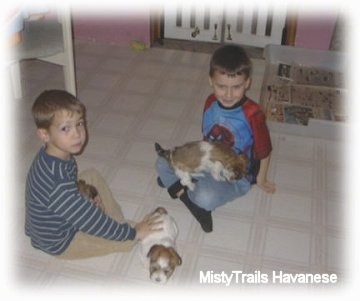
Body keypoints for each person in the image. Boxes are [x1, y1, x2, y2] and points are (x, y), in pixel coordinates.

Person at [25, 89, 161, 259]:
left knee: (92, 175)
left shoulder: (54, 155)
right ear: (44, 134)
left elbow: (69, 195)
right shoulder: (57, 185)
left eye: (79, 123)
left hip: (56, 213)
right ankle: (120, 228)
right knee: (125, 241)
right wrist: (132, 233)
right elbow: (86, 219)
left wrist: (85, 198)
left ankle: (114, 223)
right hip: (60, 241)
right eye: (65, 128)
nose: (77, 134)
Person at [156, 44, 275, 233]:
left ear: (247, 83)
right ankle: (186, 193)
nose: (228, 94)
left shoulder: (253, 114)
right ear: (211, 81)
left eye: (236, 87)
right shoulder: (210, 102)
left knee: (205, 197)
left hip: (235, 174)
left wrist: (259, 180)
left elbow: (264, 150)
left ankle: (177, 186)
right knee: (162, 162)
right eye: (221, 86)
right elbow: (207, 142)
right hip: (209, 163)